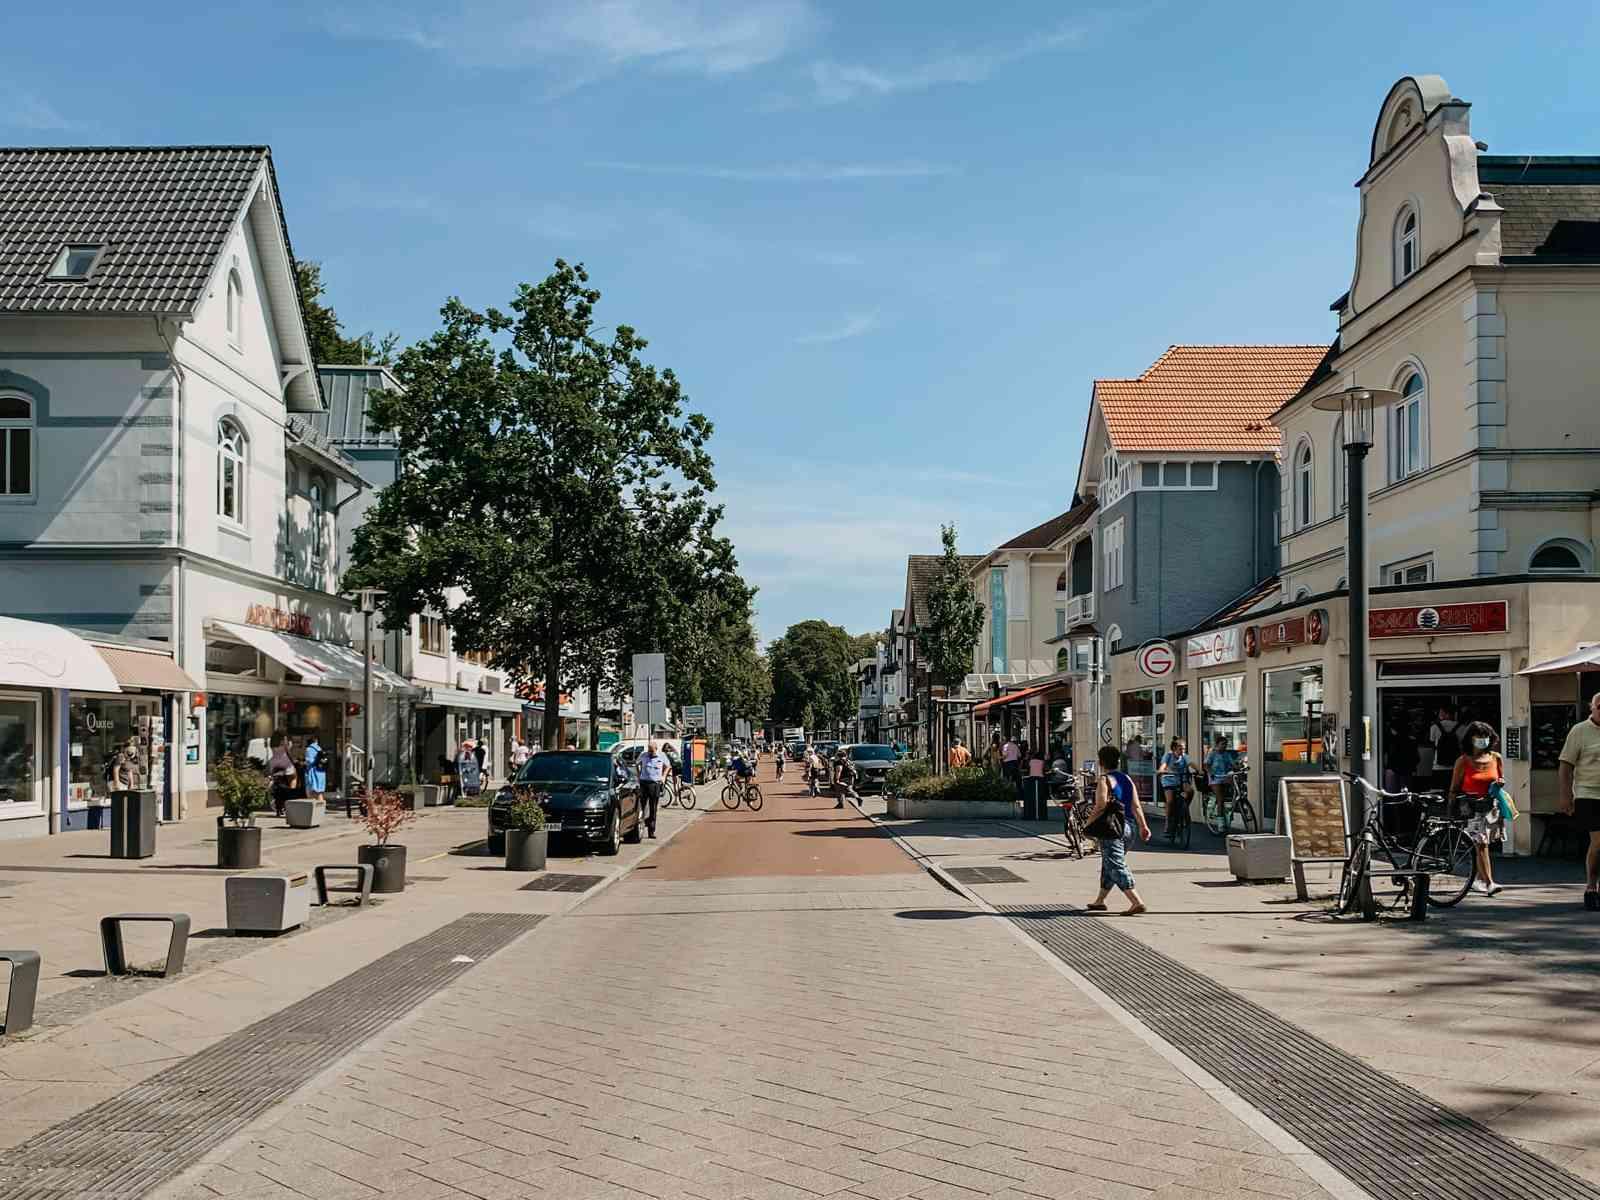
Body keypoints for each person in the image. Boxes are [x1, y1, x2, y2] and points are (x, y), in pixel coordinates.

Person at [1084, 744, 1150, 915]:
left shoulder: (1104, 780)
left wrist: (1088, 824)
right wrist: (1143, 826)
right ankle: (1100, 900)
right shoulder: (1127, 779)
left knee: (1115, 864)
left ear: (1100, 762)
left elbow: (1101, 805)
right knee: (1109, 863)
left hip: (1112, 828)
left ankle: (1136, 901)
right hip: (1130, 827)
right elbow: (1136, 805)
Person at [1447, 720, 1505, 897]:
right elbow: (1454, 788)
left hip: (1490, 806)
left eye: (1486, 736)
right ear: (1470, 739)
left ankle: (1479, 880)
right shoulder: (1462, 761)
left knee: (1483, 843)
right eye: (1479, 736)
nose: (1483, 740)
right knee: (1481, 843)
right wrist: (1451, 810)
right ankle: (1489, 882)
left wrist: (1500, 784)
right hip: (1470, 808)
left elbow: (1500, 779)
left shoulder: (1496, 758)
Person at [1559, 691, 1600, 910]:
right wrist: (1566, 795)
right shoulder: (1580, 731)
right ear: (1591, 708)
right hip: (1588, 794)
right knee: (1599, 841)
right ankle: (1591, 887)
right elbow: (1565, 765)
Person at [637, 740, 670, 838]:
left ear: (656, 749)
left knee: (653, 807)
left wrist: (663, 776)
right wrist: (639, 775)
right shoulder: (643, 755)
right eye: (649, 750)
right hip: (643, 783)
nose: (650, 753)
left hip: (654, 784)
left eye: (651, 751)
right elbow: (637, 763)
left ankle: (651, 830)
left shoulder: (662, 756)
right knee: (641, 806)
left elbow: (668, 766)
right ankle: (640, 827)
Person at [1159, 737, 1189, 833]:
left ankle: (1184, 809)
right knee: (1170, 801)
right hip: (1169, 780)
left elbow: (1191, 763)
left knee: (1190, 791)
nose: (1182, 751)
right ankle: (1167, 822)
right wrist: (1162, 770)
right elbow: (1163, 766)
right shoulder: (1168, 756)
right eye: (1180, 749)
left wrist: (1198, 770)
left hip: (1181, 780)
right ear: (1174, 749)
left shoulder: (1184, 756)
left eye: (1184, 748)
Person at [1429, 704, 1461, 784]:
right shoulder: (1462, 727)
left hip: (1438, 765)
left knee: (1438, 791)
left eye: (1441, 712)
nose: (1439, 714)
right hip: (1455, 765)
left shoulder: (1434, 727)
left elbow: (1432, 742)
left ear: (1446, 713)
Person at [266, 736, 297, 818]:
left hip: (274, 765)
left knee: (277, 790)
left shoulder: (272, 744)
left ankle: (279, 809)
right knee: (289, 786)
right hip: (285, 766)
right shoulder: (285, 745)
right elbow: (289, 753)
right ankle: (288, 806)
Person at [303, 735, 327, 807]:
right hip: (321, 771)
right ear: (316, 740)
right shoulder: (319, 748)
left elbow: (310, 762)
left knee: (311, 792)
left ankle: (312, 810)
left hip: (313, 772)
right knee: (319, 793)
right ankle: (321, 810)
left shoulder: (309, 749)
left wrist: (304, 763)